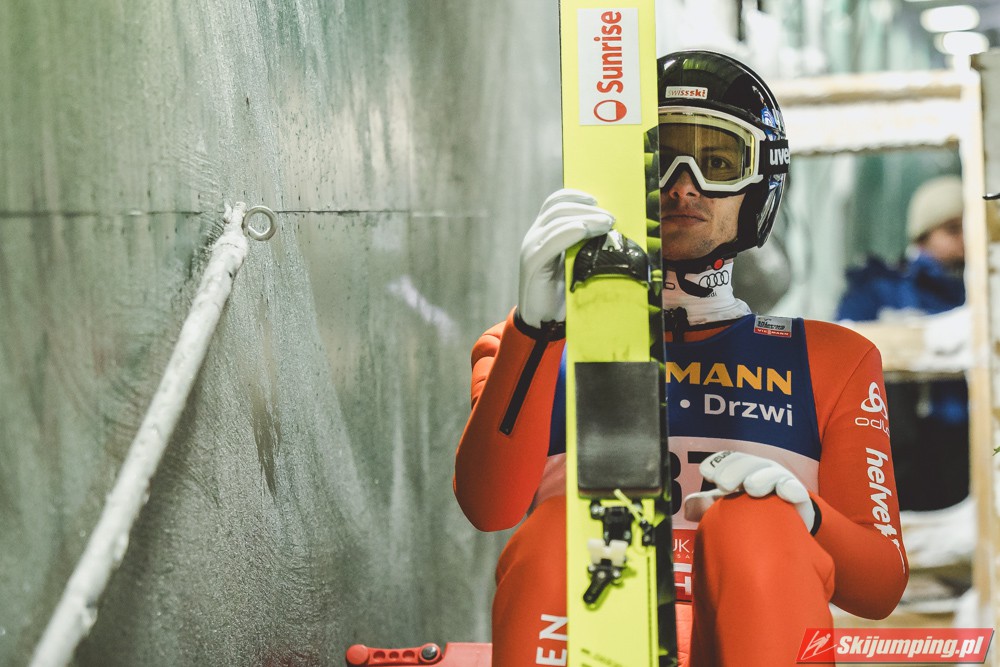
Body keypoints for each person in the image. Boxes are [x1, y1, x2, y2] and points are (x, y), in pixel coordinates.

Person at [454, 50, 908, 667]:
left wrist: (807, 516)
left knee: (757, 525)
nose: (683, 185)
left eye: (718, 162)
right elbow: (490, 508)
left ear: (759, 185)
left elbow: (880, 588)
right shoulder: (527, 348)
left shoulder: (832, 359)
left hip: (747, 632)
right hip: (591, 632)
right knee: (561, 530)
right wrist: (535, 332)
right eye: (659, 159)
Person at [836, 175, 968, 511]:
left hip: (962, 441)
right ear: (923, 236)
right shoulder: (881, 287)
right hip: (898, 445)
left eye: (970, 228)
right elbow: (841, 345)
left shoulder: (980, 289)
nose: (966, 239)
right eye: (953, 229)